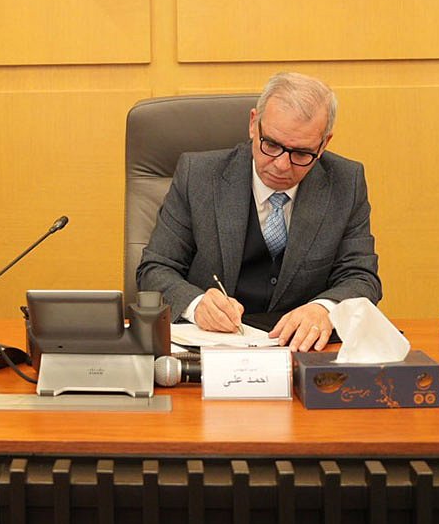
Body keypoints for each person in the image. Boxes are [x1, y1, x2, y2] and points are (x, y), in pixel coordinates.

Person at [135, 72, 381, 351]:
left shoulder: (345, 182)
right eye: (271, 145)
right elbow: (154, 269)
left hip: (302, 353)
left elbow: (361, 277)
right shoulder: (199, 176)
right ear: (254, 124)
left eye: (301, 154)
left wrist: (324, 309)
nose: (281, 165)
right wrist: (196, 304)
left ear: (324, 144)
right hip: (212, 354)